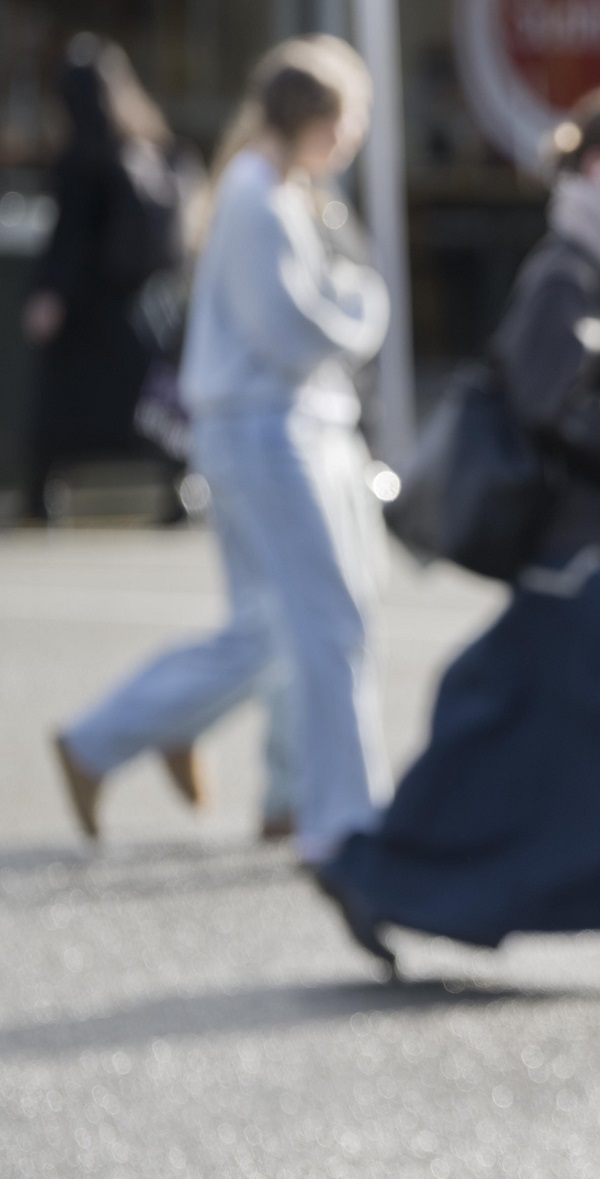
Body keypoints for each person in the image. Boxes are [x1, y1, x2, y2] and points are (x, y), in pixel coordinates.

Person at [316, 86, 600, 982]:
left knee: (511, 728)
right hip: (582, 546)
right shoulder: (572, 268)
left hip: (593, 547)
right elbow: (558, 406)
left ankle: (377, 872)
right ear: (597, 166)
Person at [52, 37, 389, 864]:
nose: (353, 140)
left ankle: (145, 750)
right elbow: (291, 330)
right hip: (271, 432)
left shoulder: (271, 190)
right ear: (322, 118)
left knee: (270, 627)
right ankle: (342, 816)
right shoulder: (258, 197)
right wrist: (366, 308)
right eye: (351, 121)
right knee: (329, 618)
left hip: (261, 430)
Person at [20, 34, 197, 524]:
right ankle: (175, 484)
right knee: (145, 398)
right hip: (141, 306)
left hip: (92, 305)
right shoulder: (150, 151)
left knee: (63, 404)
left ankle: (42, 491)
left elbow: (71, 236)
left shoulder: (86, 158)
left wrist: (50, 293)